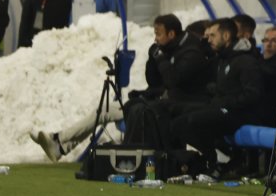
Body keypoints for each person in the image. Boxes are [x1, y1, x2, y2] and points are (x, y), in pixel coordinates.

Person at [30, 14, 210, 160]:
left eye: (158, 34)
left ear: (171, 34)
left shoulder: (189, 54)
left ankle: (60, 143)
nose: (155, 38)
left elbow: (172, 81)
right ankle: (61, 144)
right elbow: (155, 82)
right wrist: (152, 60)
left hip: (163, 109)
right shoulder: (170, 50)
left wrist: (161, 58)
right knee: (105, 109)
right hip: (156, 104)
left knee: (105, 110)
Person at [170, 18, 264, 175]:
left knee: (192, 122)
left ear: (226, 36)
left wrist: (226, 102)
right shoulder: (223, 59)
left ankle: (215, 162)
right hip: (222, 108)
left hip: (240, 114)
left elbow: (253, 94)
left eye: (213, 35)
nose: (209, 39)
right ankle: (192, 162)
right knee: (178, 120)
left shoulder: (246, 61)